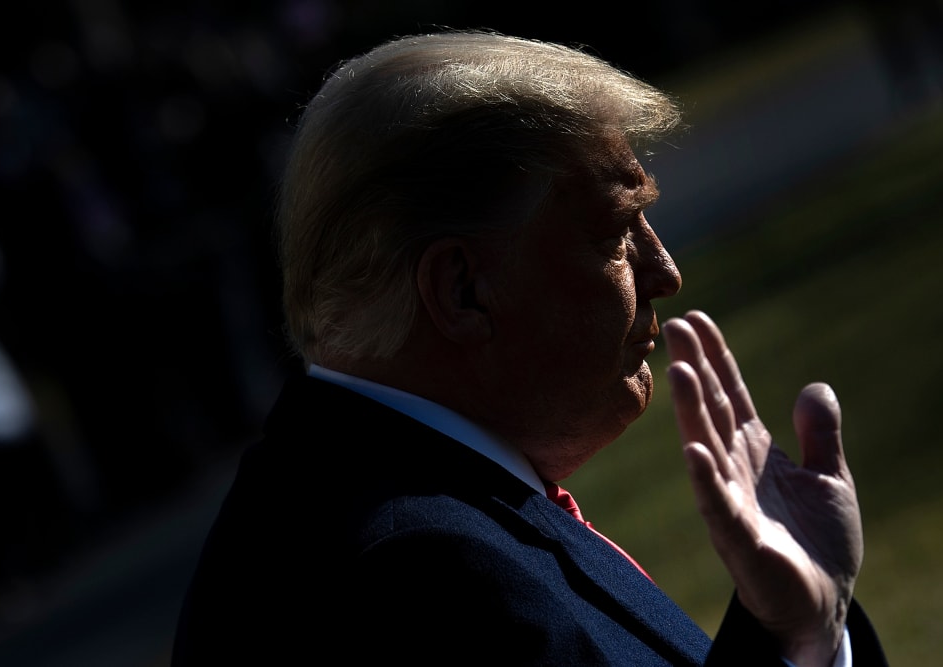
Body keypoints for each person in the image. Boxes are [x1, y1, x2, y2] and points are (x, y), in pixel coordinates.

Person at [172, 30, 888, 665]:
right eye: (617, 230)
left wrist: (799, 629)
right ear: (463, 290)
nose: (665, 270)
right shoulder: (420, 578)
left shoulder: (356, 497)